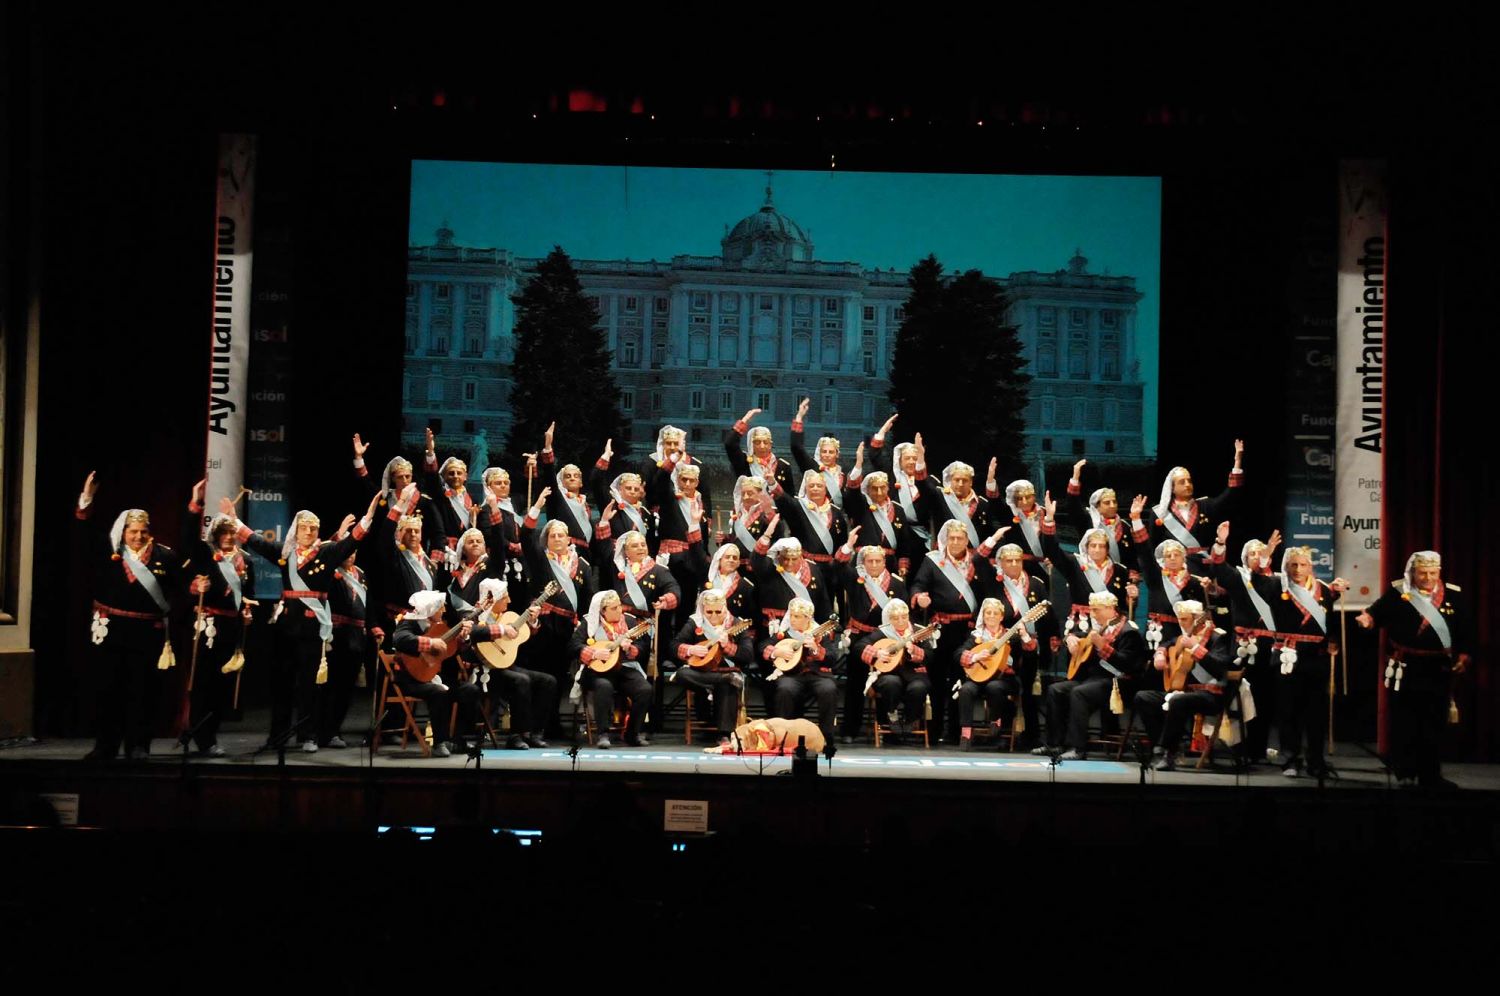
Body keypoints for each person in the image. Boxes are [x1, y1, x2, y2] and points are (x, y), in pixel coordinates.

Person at [220, 497, 361, 752]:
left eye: (313, 528)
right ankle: (278, 735)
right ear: (295, 530)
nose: (308, 532)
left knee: (310, 685)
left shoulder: (326, 553)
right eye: (304, 527)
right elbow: (256, 541)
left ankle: (308, 735)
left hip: (313, 628)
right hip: (286, 627)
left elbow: (353, 541)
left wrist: (371, 511)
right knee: (282, 683)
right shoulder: (284, 553)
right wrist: (233, 518)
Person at [76, 472, 190, 761]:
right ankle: (105, 746)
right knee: (107, 690)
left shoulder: (166, 557)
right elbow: (82, 534)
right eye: (132, 532)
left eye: (143, 531)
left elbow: (182, 585)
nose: (138, 537)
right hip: (111, 631)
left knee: (143, 693)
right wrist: (87, 499)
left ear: (149, 531)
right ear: (123, 532)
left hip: (147, 634)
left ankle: (138, 745)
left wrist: (196, 586)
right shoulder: (108, 551)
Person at [1357, 551, 1470, 789]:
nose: (1427, 577)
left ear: (1438, 572)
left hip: (1438, 669)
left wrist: (1464, 655)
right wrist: (1367, 620)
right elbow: (1374, 614)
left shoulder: (1453, 595)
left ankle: (1431, 775)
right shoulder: (1399, 594)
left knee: (1433, 724)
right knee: (1405, 723)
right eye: (1422, 573)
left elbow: (1465, 629)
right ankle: (1405, 771)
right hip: (1405, 669)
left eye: (1432, 573)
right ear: (1413, 572)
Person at [909, 519, 1002, 741]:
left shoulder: (976, 562)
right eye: (952, 538)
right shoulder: (933, 561)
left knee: (961, 681)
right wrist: (919, 596)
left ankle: (955, 732)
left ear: (967, 540)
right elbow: (918, 584)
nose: (956, 542)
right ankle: (934, 731)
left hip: (968, 631)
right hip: (941, 630)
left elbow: (990, 588)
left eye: (960, 538)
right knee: (938, 681)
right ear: (945, 539)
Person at [181, 480, 256, 757]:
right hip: (208, 627)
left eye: (230, 532)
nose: (227, 537)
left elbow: (249, 592)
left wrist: (247, 610)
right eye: (222, 532)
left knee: (221, 688)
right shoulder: (205, 555)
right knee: (202, 683)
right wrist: (195, 503)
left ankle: (210, 735)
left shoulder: (245, 561)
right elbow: (188, 538)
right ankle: (200, 736)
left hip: (232, 627)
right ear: (215, 534)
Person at [1264, 545, 1349, 779]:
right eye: (1293, 565)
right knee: (1288, 711)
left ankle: (1316, 760)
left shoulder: (1323, 590)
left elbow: (1329, 620)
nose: (1298, 569)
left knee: (1316, 714)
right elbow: (1259, 579)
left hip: (1316, 658)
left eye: (1303, 565)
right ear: (1286, 566)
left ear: (1311, 566)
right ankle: (1290, 759)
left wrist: (1333, 640)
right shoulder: (1276, 586)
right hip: (1287, 657)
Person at [1036, 591, 1146, 759]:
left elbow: (1128, 665)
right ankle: (1054, 743)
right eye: (1092, 610)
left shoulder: (1128, 631)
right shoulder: (1101, 627)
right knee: (1056, 690)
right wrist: (1069, 638)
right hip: (1094, 679)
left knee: (1079, 693)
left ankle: (1077, 747)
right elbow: (1081, 637)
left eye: (1096, 610)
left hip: (1119, 682)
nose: (1092, 614)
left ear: (1110, 608)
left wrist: (1103, 647)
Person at [1130, 599, 1236, 771]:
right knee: (1143, 697)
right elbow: (1167, 643)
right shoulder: (1183, 637)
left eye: (1184, 619)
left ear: (1197, 619)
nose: (1180, 622)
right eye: (1179, 618)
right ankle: (1159, 745)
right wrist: (1160, 653)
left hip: (1211, 694)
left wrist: (1196, 649)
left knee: (1178, 702)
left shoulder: (1218, 637)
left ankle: (1168, 753)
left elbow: (1219, 668)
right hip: (1185, 692)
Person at [389, 590, 482, 758]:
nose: (444, 611)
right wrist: (430, 643)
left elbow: (451, 651)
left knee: (470, 690)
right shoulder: (409, 622)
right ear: (430, 609)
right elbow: (400, 639)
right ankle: (440, 742)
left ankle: (458, 740)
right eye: (440, 607)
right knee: (438, 693)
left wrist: (464, 638)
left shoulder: (440, 627)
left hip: (434, 676)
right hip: (410, 679)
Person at [465, 577, 556, 749]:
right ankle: (516, 735)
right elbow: (472, 631)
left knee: (547, 681)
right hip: (484, 671)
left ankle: (534, 733)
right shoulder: (474, 614)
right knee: (521, 680)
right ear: (495, 598)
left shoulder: (507, 616)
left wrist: (532, 622)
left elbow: (521, 635)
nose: (509, 600)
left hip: (506, 665)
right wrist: (501, 630)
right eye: (505, 597)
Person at [567, 591, 655, 748]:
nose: (619, 610)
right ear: (603, 610)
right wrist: (594, 652)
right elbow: (573, 646)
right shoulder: (590, 623)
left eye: (620, 606)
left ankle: (632, 733)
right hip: (595, 672)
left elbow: (643, 645)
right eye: (614, 608)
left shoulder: (630, 622)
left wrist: (630, 649)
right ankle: (603, 734)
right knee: (604, 686)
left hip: (623, 668)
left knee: (645, 689)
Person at [1142, 440, 1245, 569]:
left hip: (1204, 569)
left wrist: (1237, 462)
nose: (1187, 485)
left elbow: (1230, 496)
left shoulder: (1206, 505)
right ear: (1172, 488)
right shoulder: (1160, 513)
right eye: (1182, 482)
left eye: (1189, 481)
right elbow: (1153, 546)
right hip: (1174, 571)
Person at [669, 589, 754, 747]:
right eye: (709, 612)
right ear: (702, 609)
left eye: (718, 611)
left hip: (726, 671)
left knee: (728, 684)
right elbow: (673, 646)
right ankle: (715, 683)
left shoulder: (736, 624)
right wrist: (690, 649)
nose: (713, 616)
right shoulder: (695, 622)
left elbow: (748, 655)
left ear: (725, 608)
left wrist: (727, 646)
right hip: (699, 672)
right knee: (682, 674)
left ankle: (724, 735)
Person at [759, 597, 840, 747]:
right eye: (791, 616)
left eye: (797, 616)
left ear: (807, 618)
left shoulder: (821, 633)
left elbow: (833, 658)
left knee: (828, 689)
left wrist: (816, 649)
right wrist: (777, 652)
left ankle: (826, 738)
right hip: (792, 675)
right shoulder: (784, 633)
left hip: (818, 674)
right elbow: (763, 646)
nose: (792, 619)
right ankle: (783, 737)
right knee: (785, 689)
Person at [852, 599, 932, 741]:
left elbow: (930, 656)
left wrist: (914, 650)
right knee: (890, 683)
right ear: (889, 619)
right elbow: (859, 646)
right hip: (889, 673)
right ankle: (891, 715)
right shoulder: (883, 632)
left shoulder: (919, 631)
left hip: (915, 674)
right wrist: (877, 653)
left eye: (904, 617)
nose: (901, 621)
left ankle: (910, 719)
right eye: (896, 618)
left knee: (918, 688)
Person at [953, 598, 1021, 750]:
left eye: (995, 613)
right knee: (966, 690)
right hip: (978, 677)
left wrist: (1024, 636)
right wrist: (975, 657)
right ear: (983, 616)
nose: (991, 616)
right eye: (987, 613)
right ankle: (966, 733)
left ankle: (995, 721)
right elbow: (958, 654)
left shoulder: (1010, 636)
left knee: (994, 687)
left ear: (1001, 616)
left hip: (1004, 679)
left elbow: (1024, 655)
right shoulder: (976, 637)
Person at [789, 396, 848, 509]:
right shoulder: (812, 466)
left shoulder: (844, 473)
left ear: (837, 454)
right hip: (813, 514)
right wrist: (799, 417)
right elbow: (797, 447)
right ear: (819, 453)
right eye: (824, 451)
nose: (826, 454)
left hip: (834, 518)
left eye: (830, 452)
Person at [724, 407, 795, 494]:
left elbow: (790, 498)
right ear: (751, 445)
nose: (762, 446)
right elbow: (730, 444)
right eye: (757, 442)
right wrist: (745, 420)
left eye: (765, 442)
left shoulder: (783, 466)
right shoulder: (744, 462)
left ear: (770, 444)